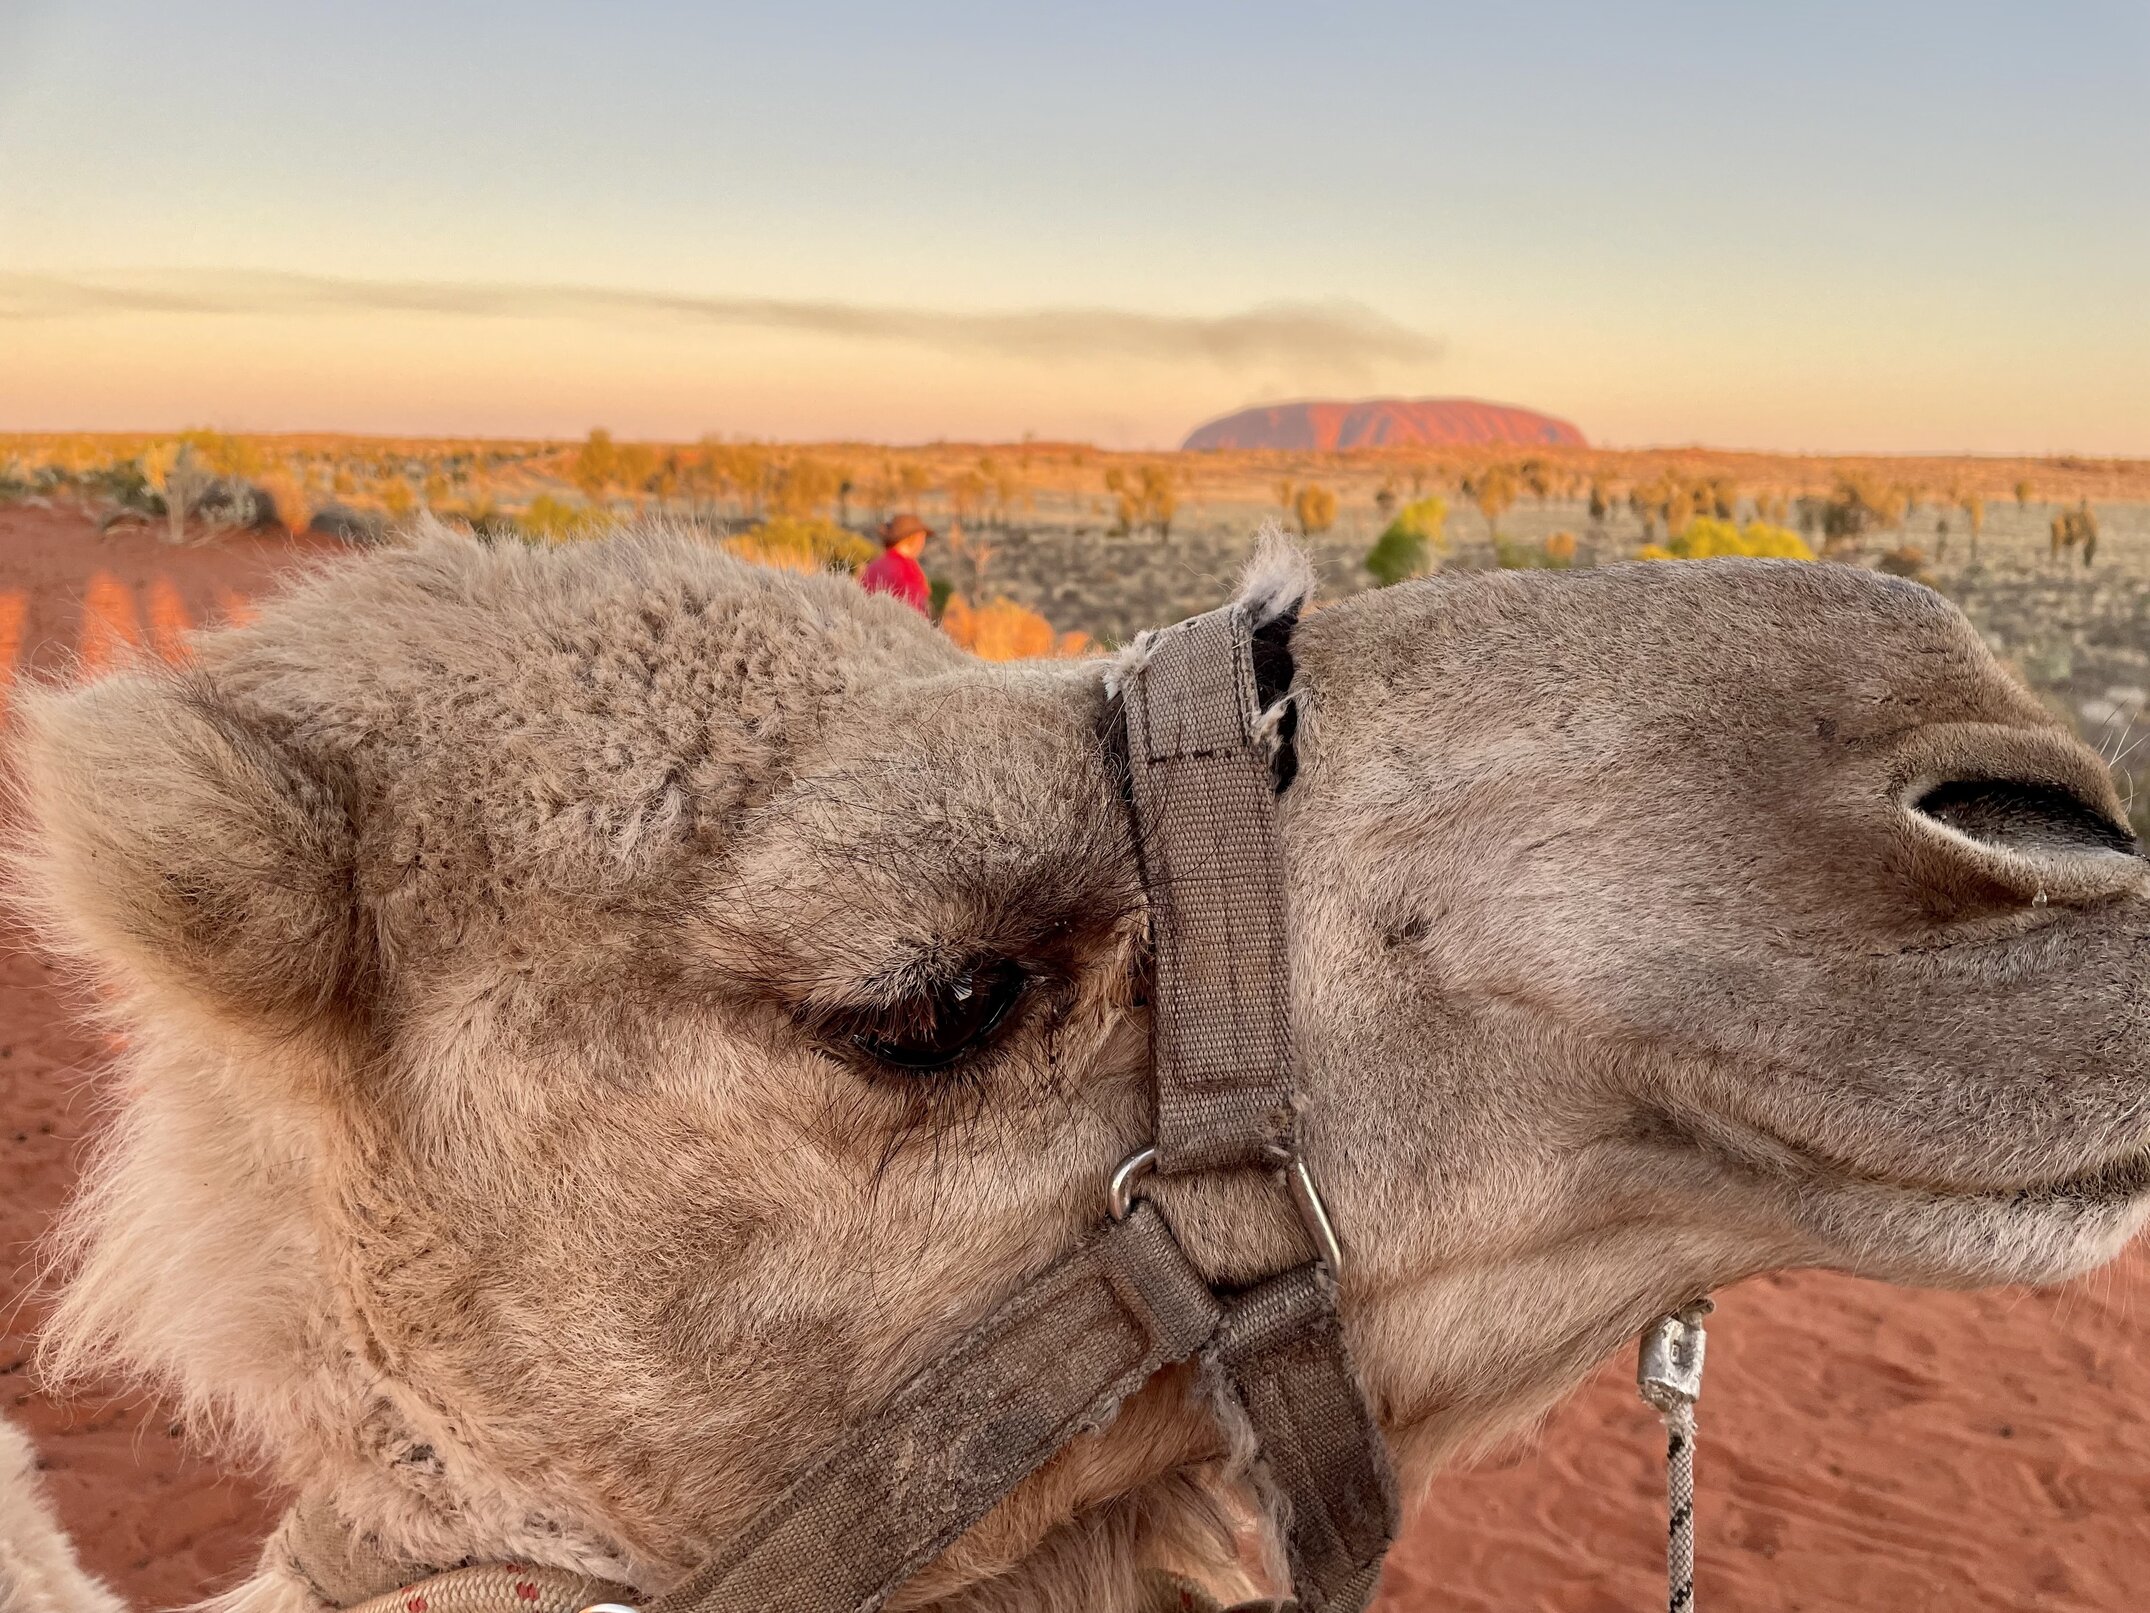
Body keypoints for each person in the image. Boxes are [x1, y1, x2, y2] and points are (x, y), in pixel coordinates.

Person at [860, 514, 933, 612]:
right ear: (914, 538)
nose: (922, 543)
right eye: (922, 538)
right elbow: (917, 614)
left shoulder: (872, 566)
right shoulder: (908, 570)